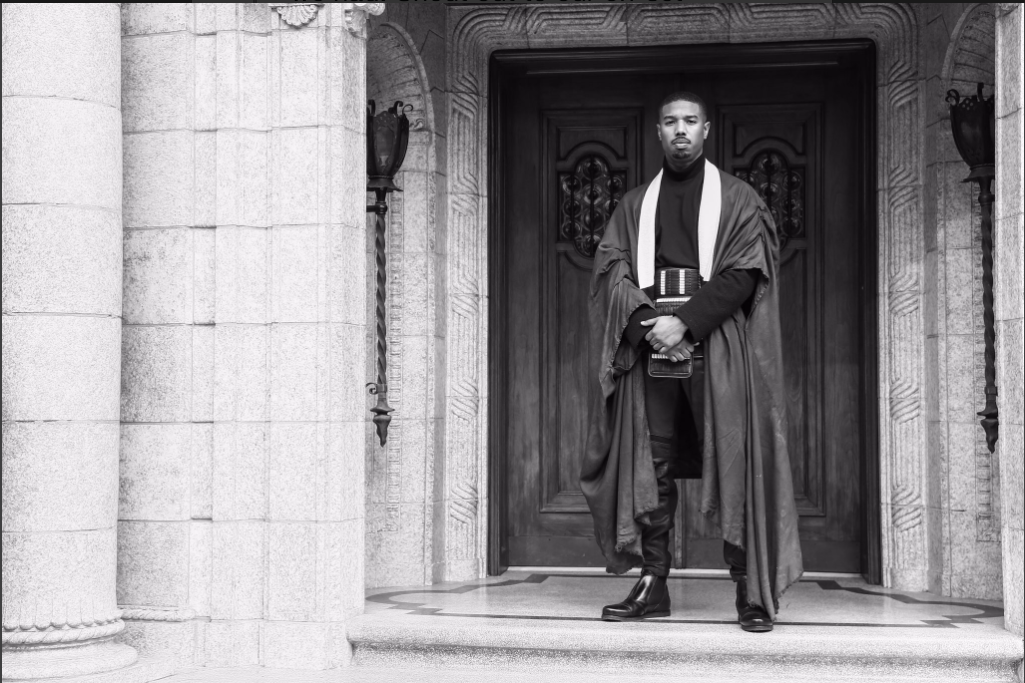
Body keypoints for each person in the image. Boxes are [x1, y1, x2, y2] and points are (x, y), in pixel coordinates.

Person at [580, 91, 803, 632]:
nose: (680, 130)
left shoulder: (739, 198)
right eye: (670, 122)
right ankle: (653, 582)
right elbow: (611, 272)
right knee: (651, 462)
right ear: (658, 132)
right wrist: (649, 327)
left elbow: (745, 272)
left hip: (716, 343)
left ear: (706, 130)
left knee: (735, 457)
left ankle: (748, 587)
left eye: (690, 121)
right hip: (651, 346)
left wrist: (685, 323)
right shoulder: (635, 204)